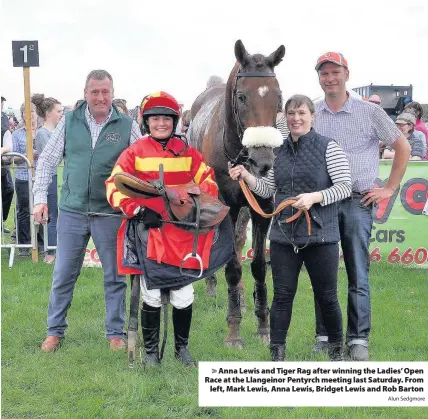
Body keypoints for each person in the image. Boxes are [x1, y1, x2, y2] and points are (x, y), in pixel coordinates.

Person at [229, 94, 351, 361]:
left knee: (327, 296)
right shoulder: (279, 153)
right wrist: (246, 176)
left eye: (302, 113)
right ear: (285, 118)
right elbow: (269, 189)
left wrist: (314, 197)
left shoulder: (329, 147)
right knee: (282, 296)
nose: (296, 119)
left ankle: (336, 353)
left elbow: (344, 186)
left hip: (321, 234)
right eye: (291, 114)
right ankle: (277, 354)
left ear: (312, 116)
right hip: (285, 235)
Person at [106, 91, 220, 366]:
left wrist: (184, 200)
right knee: (152, 293)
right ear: (146, 122)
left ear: (174, 121)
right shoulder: (134, 152)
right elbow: (113, 185)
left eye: (166, 119)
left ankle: (182, 350)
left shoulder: (189, 153)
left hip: (182, 235)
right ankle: (150, 354)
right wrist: (137, 209)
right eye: (155, 119)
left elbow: (209, 184)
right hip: (150, 233)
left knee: (183, 294)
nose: (161, 124)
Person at [33, 69, 142, 352]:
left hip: (110, 213)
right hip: (72, 211)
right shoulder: (69, 121)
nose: (100, 97)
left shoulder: (127, 125)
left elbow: (142, 165)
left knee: (115, 276)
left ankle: (115, 334)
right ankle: (54, 331)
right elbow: (46, 162)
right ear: (85, 93)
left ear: (112, 93)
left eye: (105, 91)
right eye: (95, 91)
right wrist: (39, 199)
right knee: (63, 274)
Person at [313, 52, 411, 361]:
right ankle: (326, 335)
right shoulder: (312, 112)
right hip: (324, 203)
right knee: (323, 272)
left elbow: (402, 146)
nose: (330, 78)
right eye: (324, 72)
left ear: (347, 74)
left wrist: (390, 188)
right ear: (319, 77)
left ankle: (358, 339)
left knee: (357, 271)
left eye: (335, 72)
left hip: (357, 201)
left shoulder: (369, 112)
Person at [32, 94, 63, 264]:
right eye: (58, 111)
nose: (61, 114)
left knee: (55, 215)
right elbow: (51, 158)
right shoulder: (43, 134)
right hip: (49, 179)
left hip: (57, 178)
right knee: (51, 216)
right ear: (49, 113)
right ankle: (51, 252)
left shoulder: (54, 132)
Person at [12, 101, 43, 256]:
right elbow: (13, 157)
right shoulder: (17, 134)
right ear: (22, 115)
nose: (29, 115)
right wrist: (27, 156)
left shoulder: (43, 132)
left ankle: (42, 244)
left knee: (42, 209)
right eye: (26, 112)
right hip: (23, 177)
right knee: (24, 210)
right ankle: (24, 245)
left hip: (41, 177)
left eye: (32, 112)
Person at [1, 96, 14, 233]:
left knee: (8, 190)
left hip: (2, 164)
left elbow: (6, 136)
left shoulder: (4, 117)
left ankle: (1, 220)